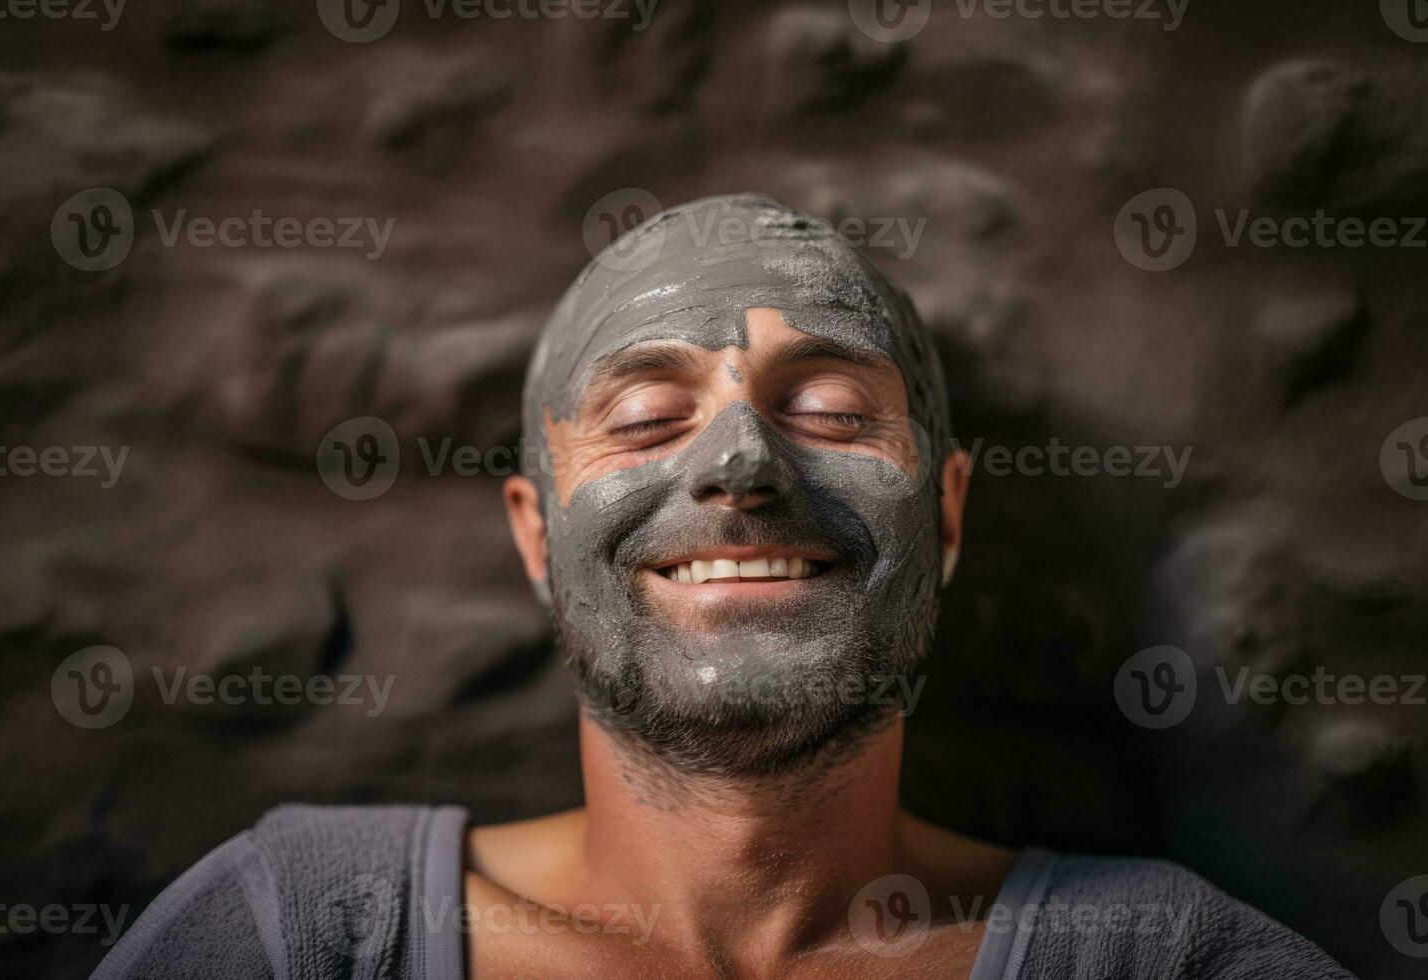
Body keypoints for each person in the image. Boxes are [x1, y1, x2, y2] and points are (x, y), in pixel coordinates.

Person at [93, 194, 1355, 979]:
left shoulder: (1164, 958)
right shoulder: (301, 935)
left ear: (948, 513)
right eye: (646, 417)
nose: (743, 461)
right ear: (537, 535)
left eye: (831, 408)